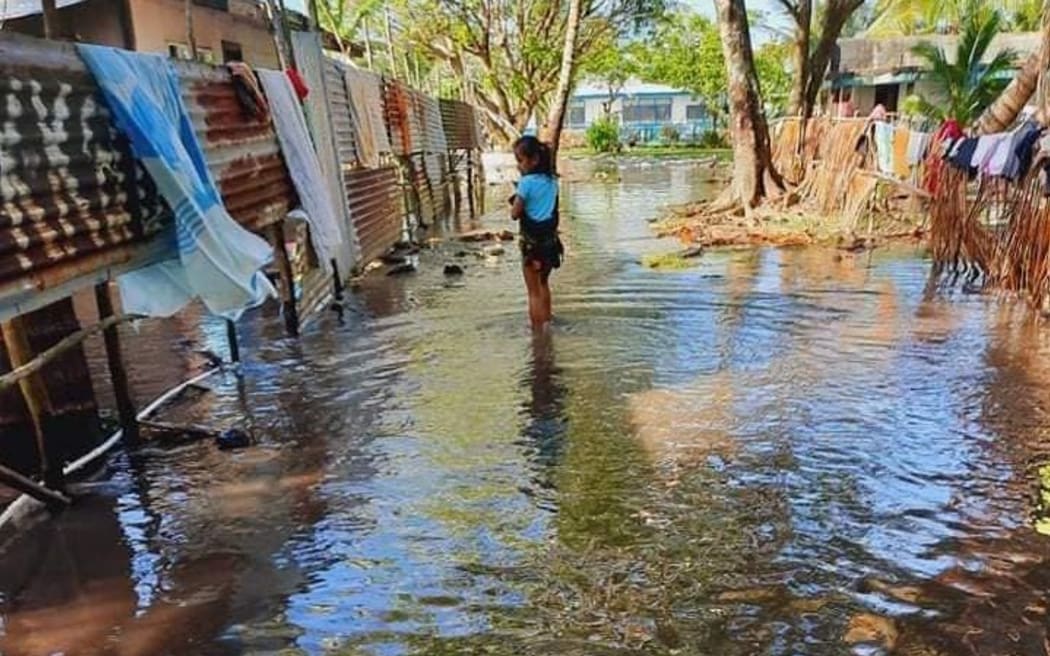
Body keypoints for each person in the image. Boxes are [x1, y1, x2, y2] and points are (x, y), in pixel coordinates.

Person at [509, 136, 563, 330]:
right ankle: (547, 323)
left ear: (534, 160)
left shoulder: (526, 183)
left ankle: (538, 336)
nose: (518, 166)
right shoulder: (552, 181)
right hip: (550, 243)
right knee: (543, 285)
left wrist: (516, 199)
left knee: (533, 292)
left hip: (531, 245)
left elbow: (515, 214)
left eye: (520, 160)